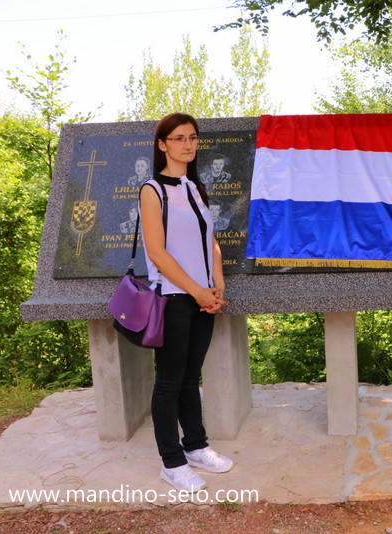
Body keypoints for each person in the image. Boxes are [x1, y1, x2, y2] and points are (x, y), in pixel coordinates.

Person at [139, 113, 233, 493]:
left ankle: (196, 446)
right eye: (178, 138)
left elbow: (210, 240)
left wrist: (216, 285)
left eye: (192, 138)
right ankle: (172, 462)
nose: (188, 145)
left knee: (190, 378)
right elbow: (157, 253)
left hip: (203, 298)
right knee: (169, 382)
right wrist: (196, 290)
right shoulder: (152, 190)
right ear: (163, 144)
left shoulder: (194, 188)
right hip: (175, 299)